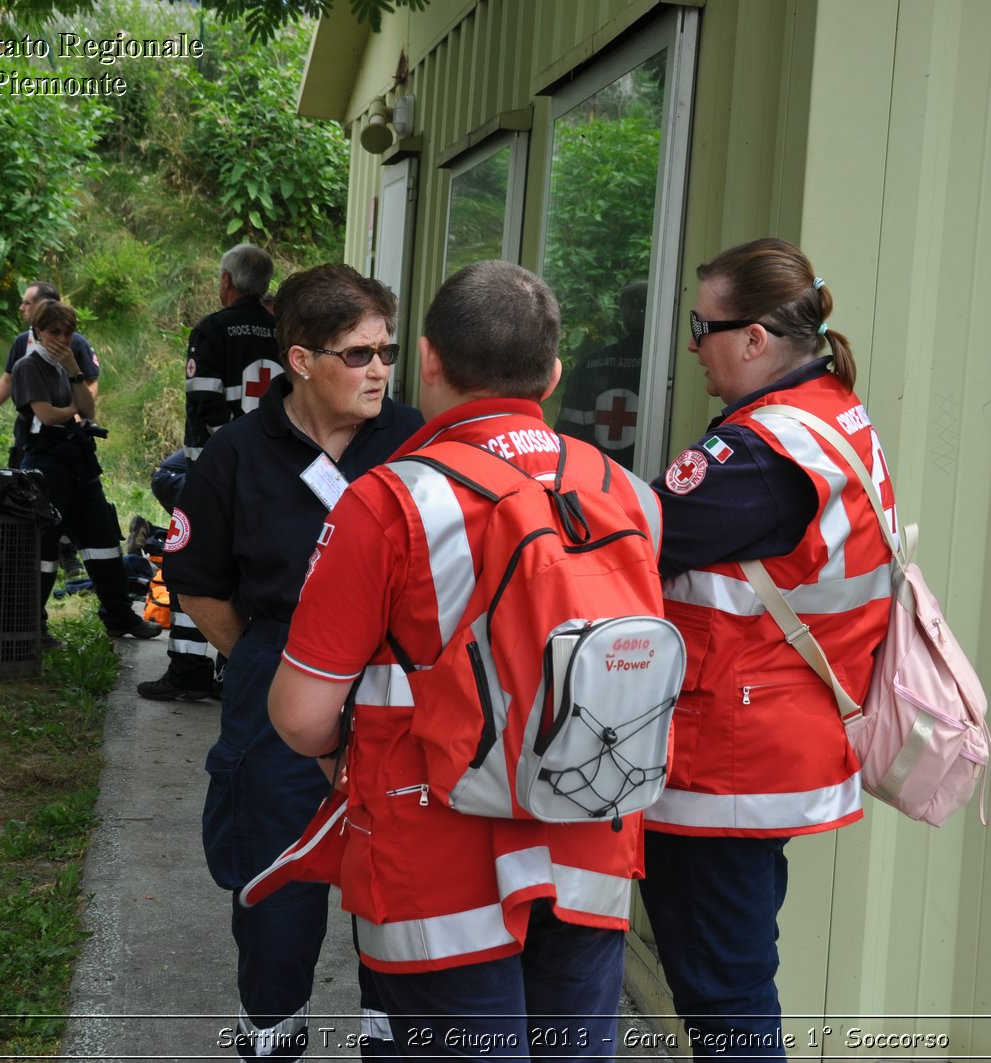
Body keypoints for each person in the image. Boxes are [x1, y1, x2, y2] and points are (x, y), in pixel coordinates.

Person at [267, 260, 658, 1060]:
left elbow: (302, 715)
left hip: (434, 865)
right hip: (589, 842)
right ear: (552, 374)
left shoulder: (387, 501)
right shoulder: (630, 493)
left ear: (427, 358)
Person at [638, 238, 899, 1058]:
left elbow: (631, 539)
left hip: (730, 754)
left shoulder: (759, 452)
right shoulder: (830, 410)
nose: (691, 344)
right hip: (778, 730)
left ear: (755, 339)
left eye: (702, 325)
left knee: (724, 993)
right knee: (735, 978)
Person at [161, 264, 422, 1062]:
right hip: (281, 668)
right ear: (302, 361)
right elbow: (196, 577)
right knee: (277, 881)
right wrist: (267, 663)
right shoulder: (238, 453)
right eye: (358, 354)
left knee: (403, 882)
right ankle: (272, 1036)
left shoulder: (415, 440)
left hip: (398, 681)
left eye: (387, 350)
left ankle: (393, 1039)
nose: (378, 369)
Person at [140, 243, 281, 702]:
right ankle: (230, 671)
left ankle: (187, 670)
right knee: (248, 567)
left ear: (226, 282)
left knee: (194, 563)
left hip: (217, 471)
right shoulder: (284, 330)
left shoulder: (212, 329)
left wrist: (231, 454)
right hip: (275, 470)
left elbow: (204, 400)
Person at [10, 300, 160, 641]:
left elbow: (89, 409)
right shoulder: (27, 366)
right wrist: (73, 409)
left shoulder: (67, 367)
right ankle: (33, 625)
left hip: (79, 464)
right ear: (38, 331)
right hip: (46, 466)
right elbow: (46, 415)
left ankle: (120, 616)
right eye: (54, 332)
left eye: (68, 332)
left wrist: (75, 373)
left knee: (104, 540)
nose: (61, 339)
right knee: (44, 548)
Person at [0, 281, 101, 462]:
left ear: (46, 305)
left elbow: (90, 382)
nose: (21, 308)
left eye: (27, 303)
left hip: (68, 432)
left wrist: (76, 412)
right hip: (30, 431)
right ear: (39, 331)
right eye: (55, 332)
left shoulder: (77, 344)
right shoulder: (23, 343)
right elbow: (8, 380)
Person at [556, 280, 646, 467]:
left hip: (595, 477)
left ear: (624, 314)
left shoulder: (589, 366)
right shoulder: (666, 371)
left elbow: (567, 437)